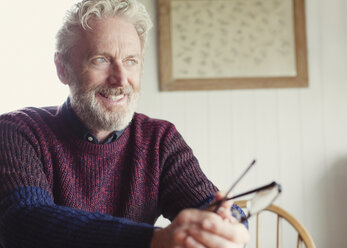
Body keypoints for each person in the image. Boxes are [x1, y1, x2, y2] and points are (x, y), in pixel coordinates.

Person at [0, 0, 249, 247]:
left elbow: (213, 208)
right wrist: (154, 239)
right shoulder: (18, 131)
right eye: (101, 59)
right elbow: (23, 220)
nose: (120, 79)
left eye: (131, 61)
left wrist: (228, 223)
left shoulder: (160, 139)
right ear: (62, 68)